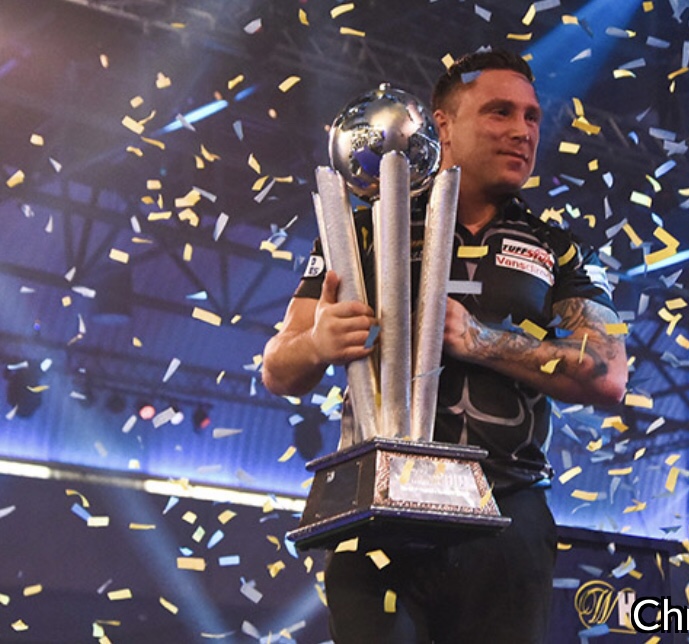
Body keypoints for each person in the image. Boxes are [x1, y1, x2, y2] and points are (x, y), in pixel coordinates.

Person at [262, 49, 628, 644]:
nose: (522, 131)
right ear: (444, 125)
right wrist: (319, 344)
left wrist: (481, 342)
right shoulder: (364, 228)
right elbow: (278, 369)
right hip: (378, 506)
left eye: (532, 117)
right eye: (499, 112)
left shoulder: (559, 248)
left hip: (507, 513)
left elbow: (609, 375)